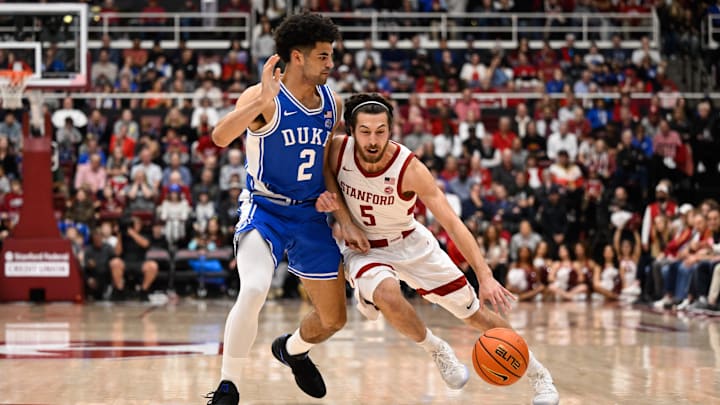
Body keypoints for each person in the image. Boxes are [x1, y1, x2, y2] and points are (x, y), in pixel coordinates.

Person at [323, 93, 559, 404]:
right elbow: (327, 175)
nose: (372, 139)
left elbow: (452, 222)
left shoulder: (409, 168)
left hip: (411, 244)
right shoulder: (337, 150)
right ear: (351, 131)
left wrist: (484, 276)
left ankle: (539, 375)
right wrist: (344, 220)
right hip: (366, 248)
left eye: (380, 131)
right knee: (388, 293)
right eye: (365, 131)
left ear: (391, 130)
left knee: (478, 316)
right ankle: (437, 349)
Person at [206, 13, 368, 404]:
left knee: (334, 319)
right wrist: (258, 103)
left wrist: (343, 217)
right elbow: (219, 137)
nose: (331, 64)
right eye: (324, 57)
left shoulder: (333, 102)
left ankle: (291, 350)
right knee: (256, 287)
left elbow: (328, 168)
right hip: (265, 210)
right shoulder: (263, 97)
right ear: (298, 57)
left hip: (310, 216)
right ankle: (228, 385)